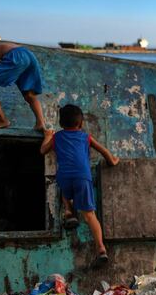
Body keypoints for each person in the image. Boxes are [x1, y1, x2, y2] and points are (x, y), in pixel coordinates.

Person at [40, 104, 119, 266]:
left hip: (64, 176)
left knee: (64, 192)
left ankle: (69, 212)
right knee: (90, 215)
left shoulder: (57, 137)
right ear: (81, 123)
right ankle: (101, 249)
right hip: (82, 177)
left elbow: (43, 151)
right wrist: (112, 161)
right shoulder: (85, 137)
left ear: (61, 124)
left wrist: (48, 135)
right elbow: (103, 150)